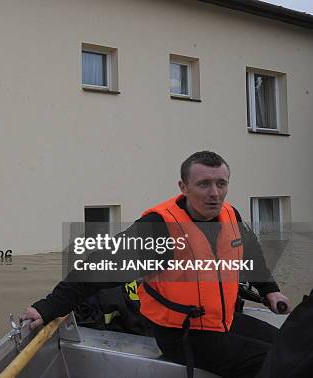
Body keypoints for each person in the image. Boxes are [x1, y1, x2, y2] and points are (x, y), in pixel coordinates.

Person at [22, 151, 291, 378]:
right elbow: (95, 269)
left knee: (292, 343)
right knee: (286, 364)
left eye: (221, 184)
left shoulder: (230, 214)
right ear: (183, 187)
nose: (214, 193)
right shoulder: (160, 228)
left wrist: (270, 290)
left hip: (223, 321)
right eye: (204, 184)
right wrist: (47, 308)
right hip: (184, 335)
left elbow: (250, 254)